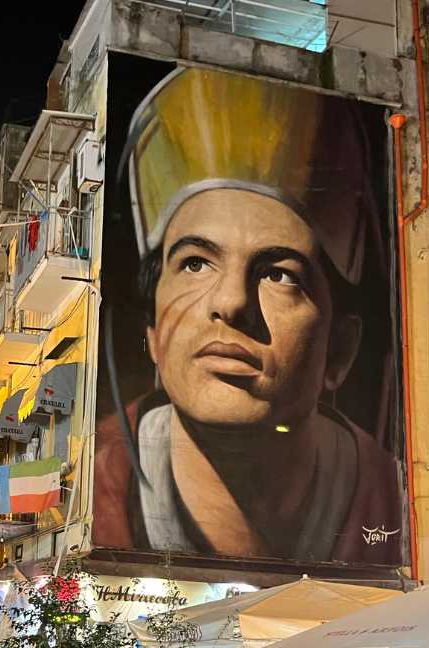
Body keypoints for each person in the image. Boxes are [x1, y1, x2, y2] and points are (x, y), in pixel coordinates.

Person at [93, 66, 401, 564]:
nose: (232, 301)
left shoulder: (395, 506)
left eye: (279, 273)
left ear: (339, 349)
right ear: (151, 331)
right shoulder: (96, 484)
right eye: (195, 263)